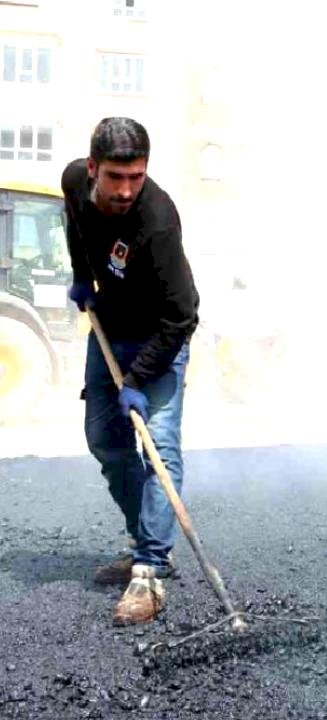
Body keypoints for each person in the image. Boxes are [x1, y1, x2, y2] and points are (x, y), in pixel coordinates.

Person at [63, 117, 200, 626]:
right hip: (110, 325)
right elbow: (74, 220)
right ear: (94, 168)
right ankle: (141, 535)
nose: (124, 191)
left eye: (136, 178)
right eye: (115, 177)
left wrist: (139, 379)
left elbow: (183, 315)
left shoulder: (157, 222)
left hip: (159, 336)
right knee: (104, 437)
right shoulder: (75, 180)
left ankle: (150, 568)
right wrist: (82, 275)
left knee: (159, 445)